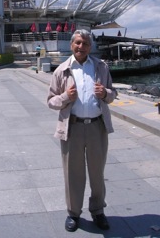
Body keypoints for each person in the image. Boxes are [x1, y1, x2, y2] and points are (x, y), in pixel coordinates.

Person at [47, 29, 117, 232]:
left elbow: (113, 94)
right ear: (71, 45)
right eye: (78, 42)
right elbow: (51, 101)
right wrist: (66, 97)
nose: (81, 47)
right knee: (73, 173)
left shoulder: (101, 67)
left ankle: (98, 211)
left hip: (97, 126)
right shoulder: (62, 70)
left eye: (85, 43)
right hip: (72, 128)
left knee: (97, 172)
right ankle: (73, 213)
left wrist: (105, 93)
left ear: (90, 46)